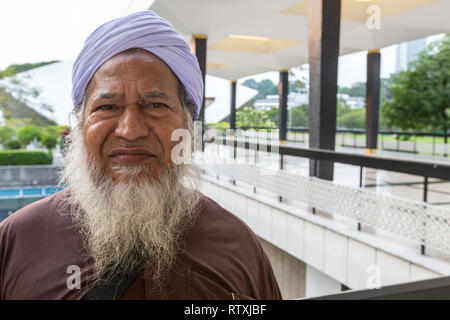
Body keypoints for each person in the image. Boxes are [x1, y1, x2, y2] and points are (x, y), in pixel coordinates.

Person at [0, 10, 282, 300]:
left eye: (156, 105)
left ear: (187, 124)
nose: (130, 130)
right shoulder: (17, 240)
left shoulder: (236, 244)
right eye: (107, 107)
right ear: (80, 125)